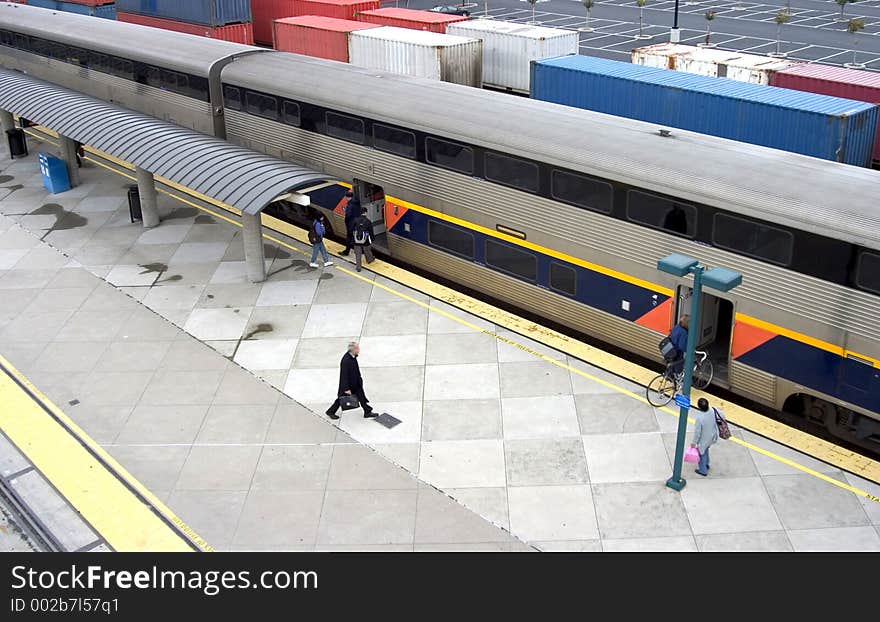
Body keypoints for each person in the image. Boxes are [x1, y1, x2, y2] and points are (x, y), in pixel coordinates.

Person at [326, 341, 376, 420]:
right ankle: (331, 411)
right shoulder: (346, 360)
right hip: (349, 385)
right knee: (341, 399)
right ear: (353, 349)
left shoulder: (353, 356)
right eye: (357, 348)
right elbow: (344, 376)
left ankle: (367, 411)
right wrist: (346, 389)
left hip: (356, 383)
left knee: (361, 397)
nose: (359, 349)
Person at [691, 397, 719, 476]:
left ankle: (703, 470)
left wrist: (694, 443)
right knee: (706, 450)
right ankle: (707, 464)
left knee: (701, 453)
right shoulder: (713, 410)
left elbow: (697, 433)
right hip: (712, 436)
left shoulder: (700, 419)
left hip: (703, 440)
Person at [351, 207, 375, 273]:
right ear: (365, 213)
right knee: (367, 250)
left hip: (356, 239)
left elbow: (352, 229)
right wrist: (372, 239)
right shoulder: (368, 221)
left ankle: (358, 267)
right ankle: (369, 260)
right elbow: (371, 232)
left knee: (358, 253)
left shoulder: (355, 220)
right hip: (365, 239)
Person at [339, 190, 360, 256]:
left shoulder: (349, 204)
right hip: (357, 221)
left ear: (348, 197)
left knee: (349, 237)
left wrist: (346, 219)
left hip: (351, 223)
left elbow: (348, 215)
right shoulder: (357, 202)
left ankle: (346, 252)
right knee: (357, 236)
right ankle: (360, 250)